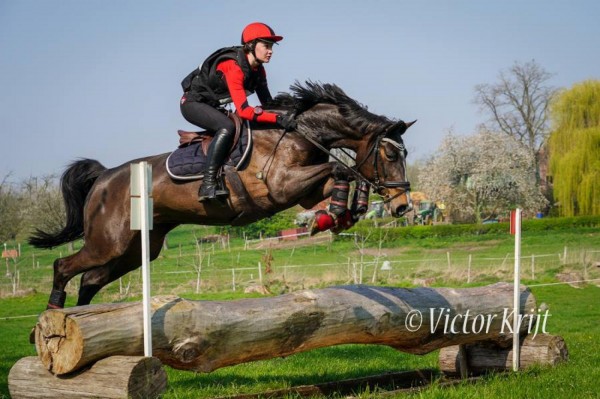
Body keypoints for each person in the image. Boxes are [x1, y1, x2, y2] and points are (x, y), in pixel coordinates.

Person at [180, 22, 297, 202]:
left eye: (272, 46)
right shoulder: (233, 67)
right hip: (192, 104)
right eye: (266, 45)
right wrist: (277, 118)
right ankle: (208, 183)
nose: (270, 51)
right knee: (227, 126)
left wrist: (290, 114)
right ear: (251, 45)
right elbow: (244, 111)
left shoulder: (259, 71)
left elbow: (267, 104)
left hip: (213, 106)